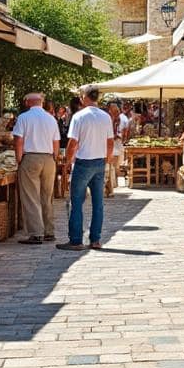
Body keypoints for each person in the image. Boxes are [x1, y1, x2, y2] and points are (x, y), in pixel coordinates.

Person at [59, 85, 113, 251]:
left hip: (83, 162)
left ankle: (76, 240)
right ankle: (95, 239)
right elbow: (110, 142)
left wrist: (67, 162)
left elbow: (73, 143)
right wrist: (107, 160)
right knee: (98, 203)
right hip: (99, 162)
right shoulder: (106, 117)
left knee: (76, 202)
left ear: (84, 97)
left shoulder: (79, 116)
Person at [13, 92, 61, 244]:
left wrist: (19, 159)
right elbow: (56, 142)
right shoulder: (51, 118)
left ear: (28, 102)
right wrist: (54, 157)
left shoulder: (24, 117)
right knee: (47, 196)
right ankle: (49, 231)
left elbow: (19, 140)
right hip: (48, 158)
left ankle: (36, 233)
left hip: (31, 157)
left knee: (31, 196)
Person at [106, 100, 126, 193]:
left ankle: (114, 184)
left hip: (118, 145)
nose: (118, 113)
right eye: (116, 111)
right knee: (111, 167)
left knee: (116, 166)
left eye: (118, 111)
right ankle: (110, 188)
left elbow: (121, 131)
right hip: (111, 147)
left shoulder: (118, 120)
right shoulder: (108, 120)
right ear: (110, 111)